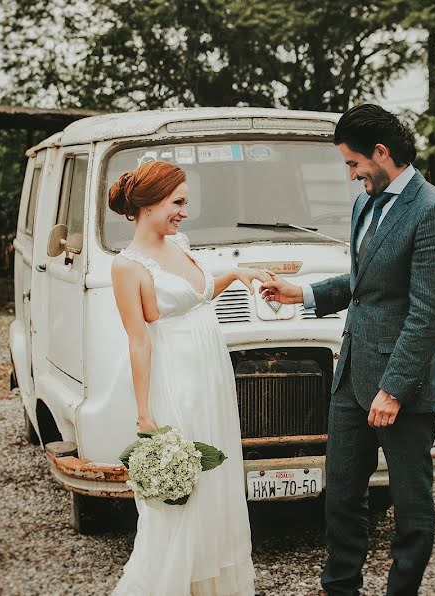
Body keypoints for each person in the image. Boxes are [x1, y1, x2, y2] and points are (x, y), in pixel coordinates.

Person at [259, 104, 435, 595]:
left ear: (381, 152)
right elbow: (366, 281)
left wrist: (393, 390)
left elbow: (425, 313)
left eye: (353, 165)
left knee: (412, 509)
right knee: (341, 499)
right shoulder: (365, 204)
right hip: (351, 378)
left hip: (404, 390)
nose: (350, 176)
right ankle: (341, 588)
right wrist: (304, 293)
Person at [108, 160, 266, 596]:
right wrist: (144, 414)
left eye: (185, 202)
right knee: (182, 493)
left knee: (216, 485)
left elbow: (197, 294)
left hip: (210, 376)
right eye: (177, 202)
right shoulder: (127, 267)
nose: (183, 212)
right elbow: (138, 341)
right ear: (147, 203)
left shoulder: (180, 243)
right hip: (175, 381)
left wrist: (235, 274)